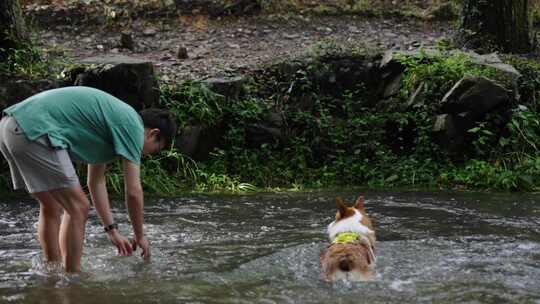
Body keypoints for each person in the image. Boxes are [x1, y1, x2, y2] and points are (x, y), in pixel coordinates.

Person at [0, 86, 177, 273]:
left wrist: (112, 230)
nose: (148, 155)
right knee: (78, 207)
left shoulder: (112, 124)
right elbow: (133, 191)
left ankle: (52, 274)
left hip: (10, 127)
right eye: (155, 149)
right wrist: (140, 236)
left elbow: (96, 182)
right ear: (153, 134)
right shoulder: (132, 125)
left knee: (52, 205)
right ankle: (72, 280)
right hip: (32, 129)